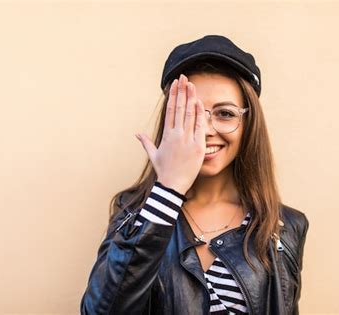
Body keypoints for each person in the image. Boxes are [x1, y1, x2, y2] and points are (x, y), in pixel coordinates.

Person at [80, 34, 309, 315]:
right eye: (193, 114)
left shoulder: (285, 227)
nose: (207, 130)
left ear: (249, 124)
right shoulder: (135, 212)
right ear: (171, 121)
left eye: (225, 113)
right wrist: (169, 189)